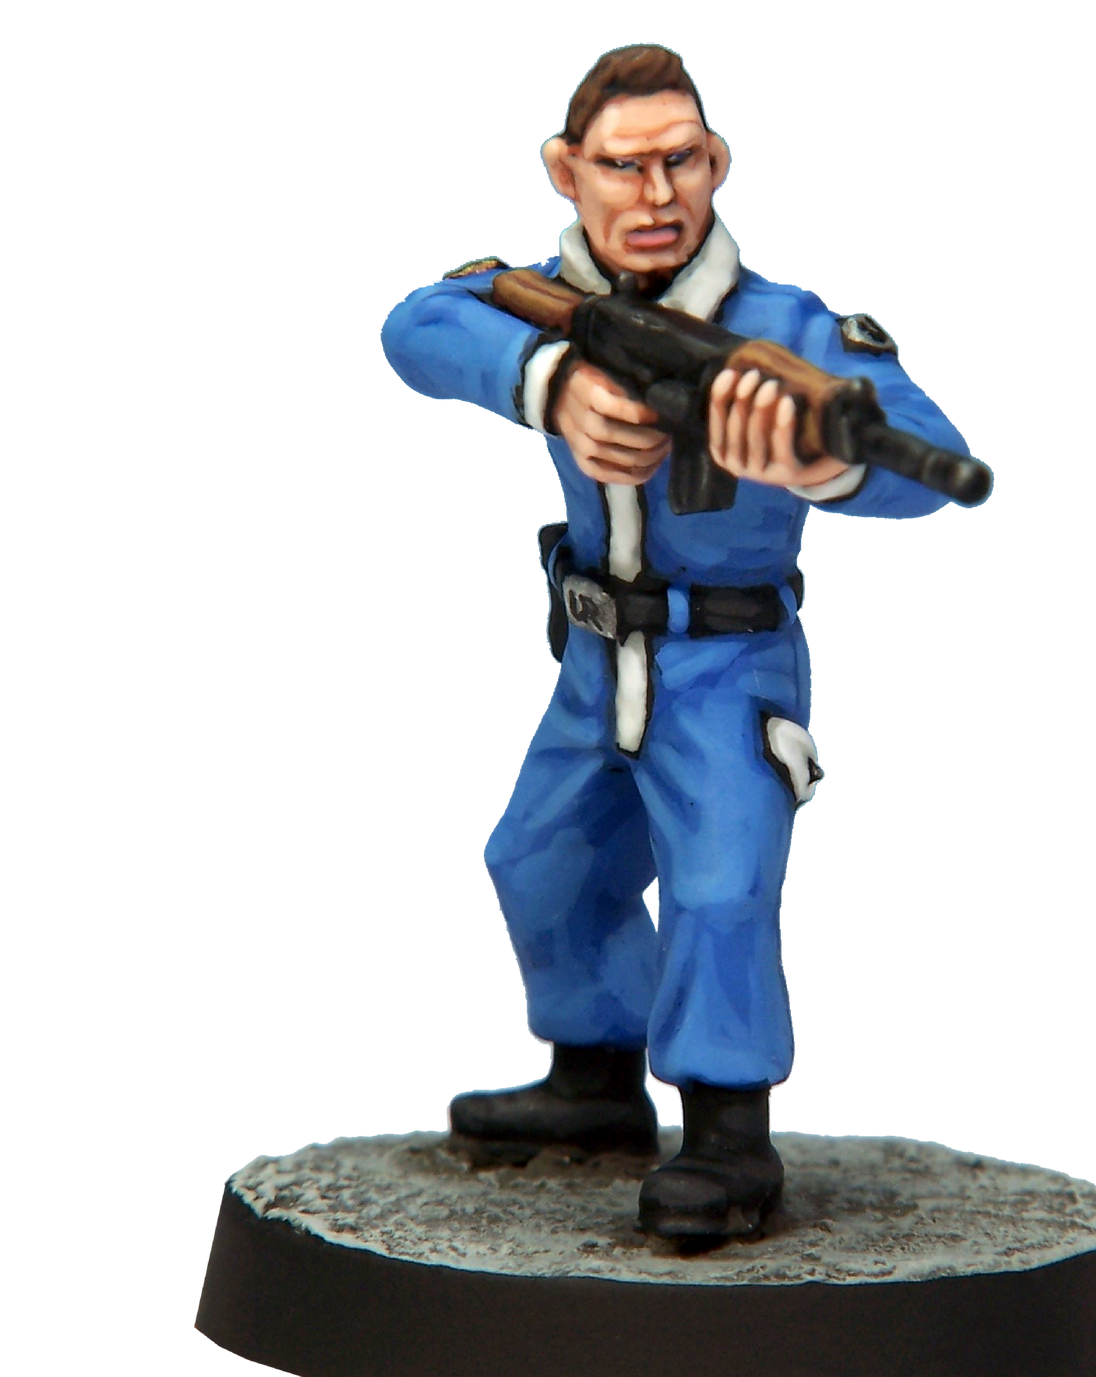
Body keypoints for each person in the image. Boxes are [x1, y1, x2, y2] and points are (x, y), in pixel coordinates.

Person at [378, 43, 990, 1239]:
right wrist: (546, 380)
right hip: (592, 656)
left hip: (726, 661)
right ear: (565, 172)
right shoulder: (537, 296)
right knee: (538, 858)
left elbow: (934, 462)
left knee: (719, 884)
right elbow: (414, 323)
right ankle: (593, 1078)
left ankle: (724, 1132)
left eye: (678, 161)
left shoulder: (789, 326)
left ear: (716, 163)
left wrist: (820, 463)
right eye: (621, 166)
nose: (654, 194)